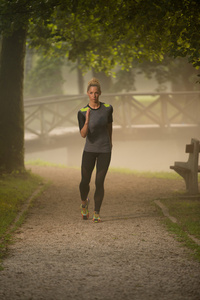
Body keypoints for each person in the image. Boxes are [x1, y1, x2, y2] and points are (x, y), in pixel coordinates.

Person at [77, 78, 113, 223]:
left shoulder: (108, 108)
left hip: (104, 149)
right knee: (85, 181)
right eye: (91, 93)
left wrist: (111, 142)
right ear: (87, 93)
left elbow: (109, 126)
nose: (94, 95)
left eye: (96, 93)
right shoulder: (82, 111)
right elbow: (83, 134)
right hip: (89, 150)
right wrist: (86, 121)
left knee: (99, 182)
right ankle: (84, 204)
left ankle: (96, 212)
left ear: (100, 93)